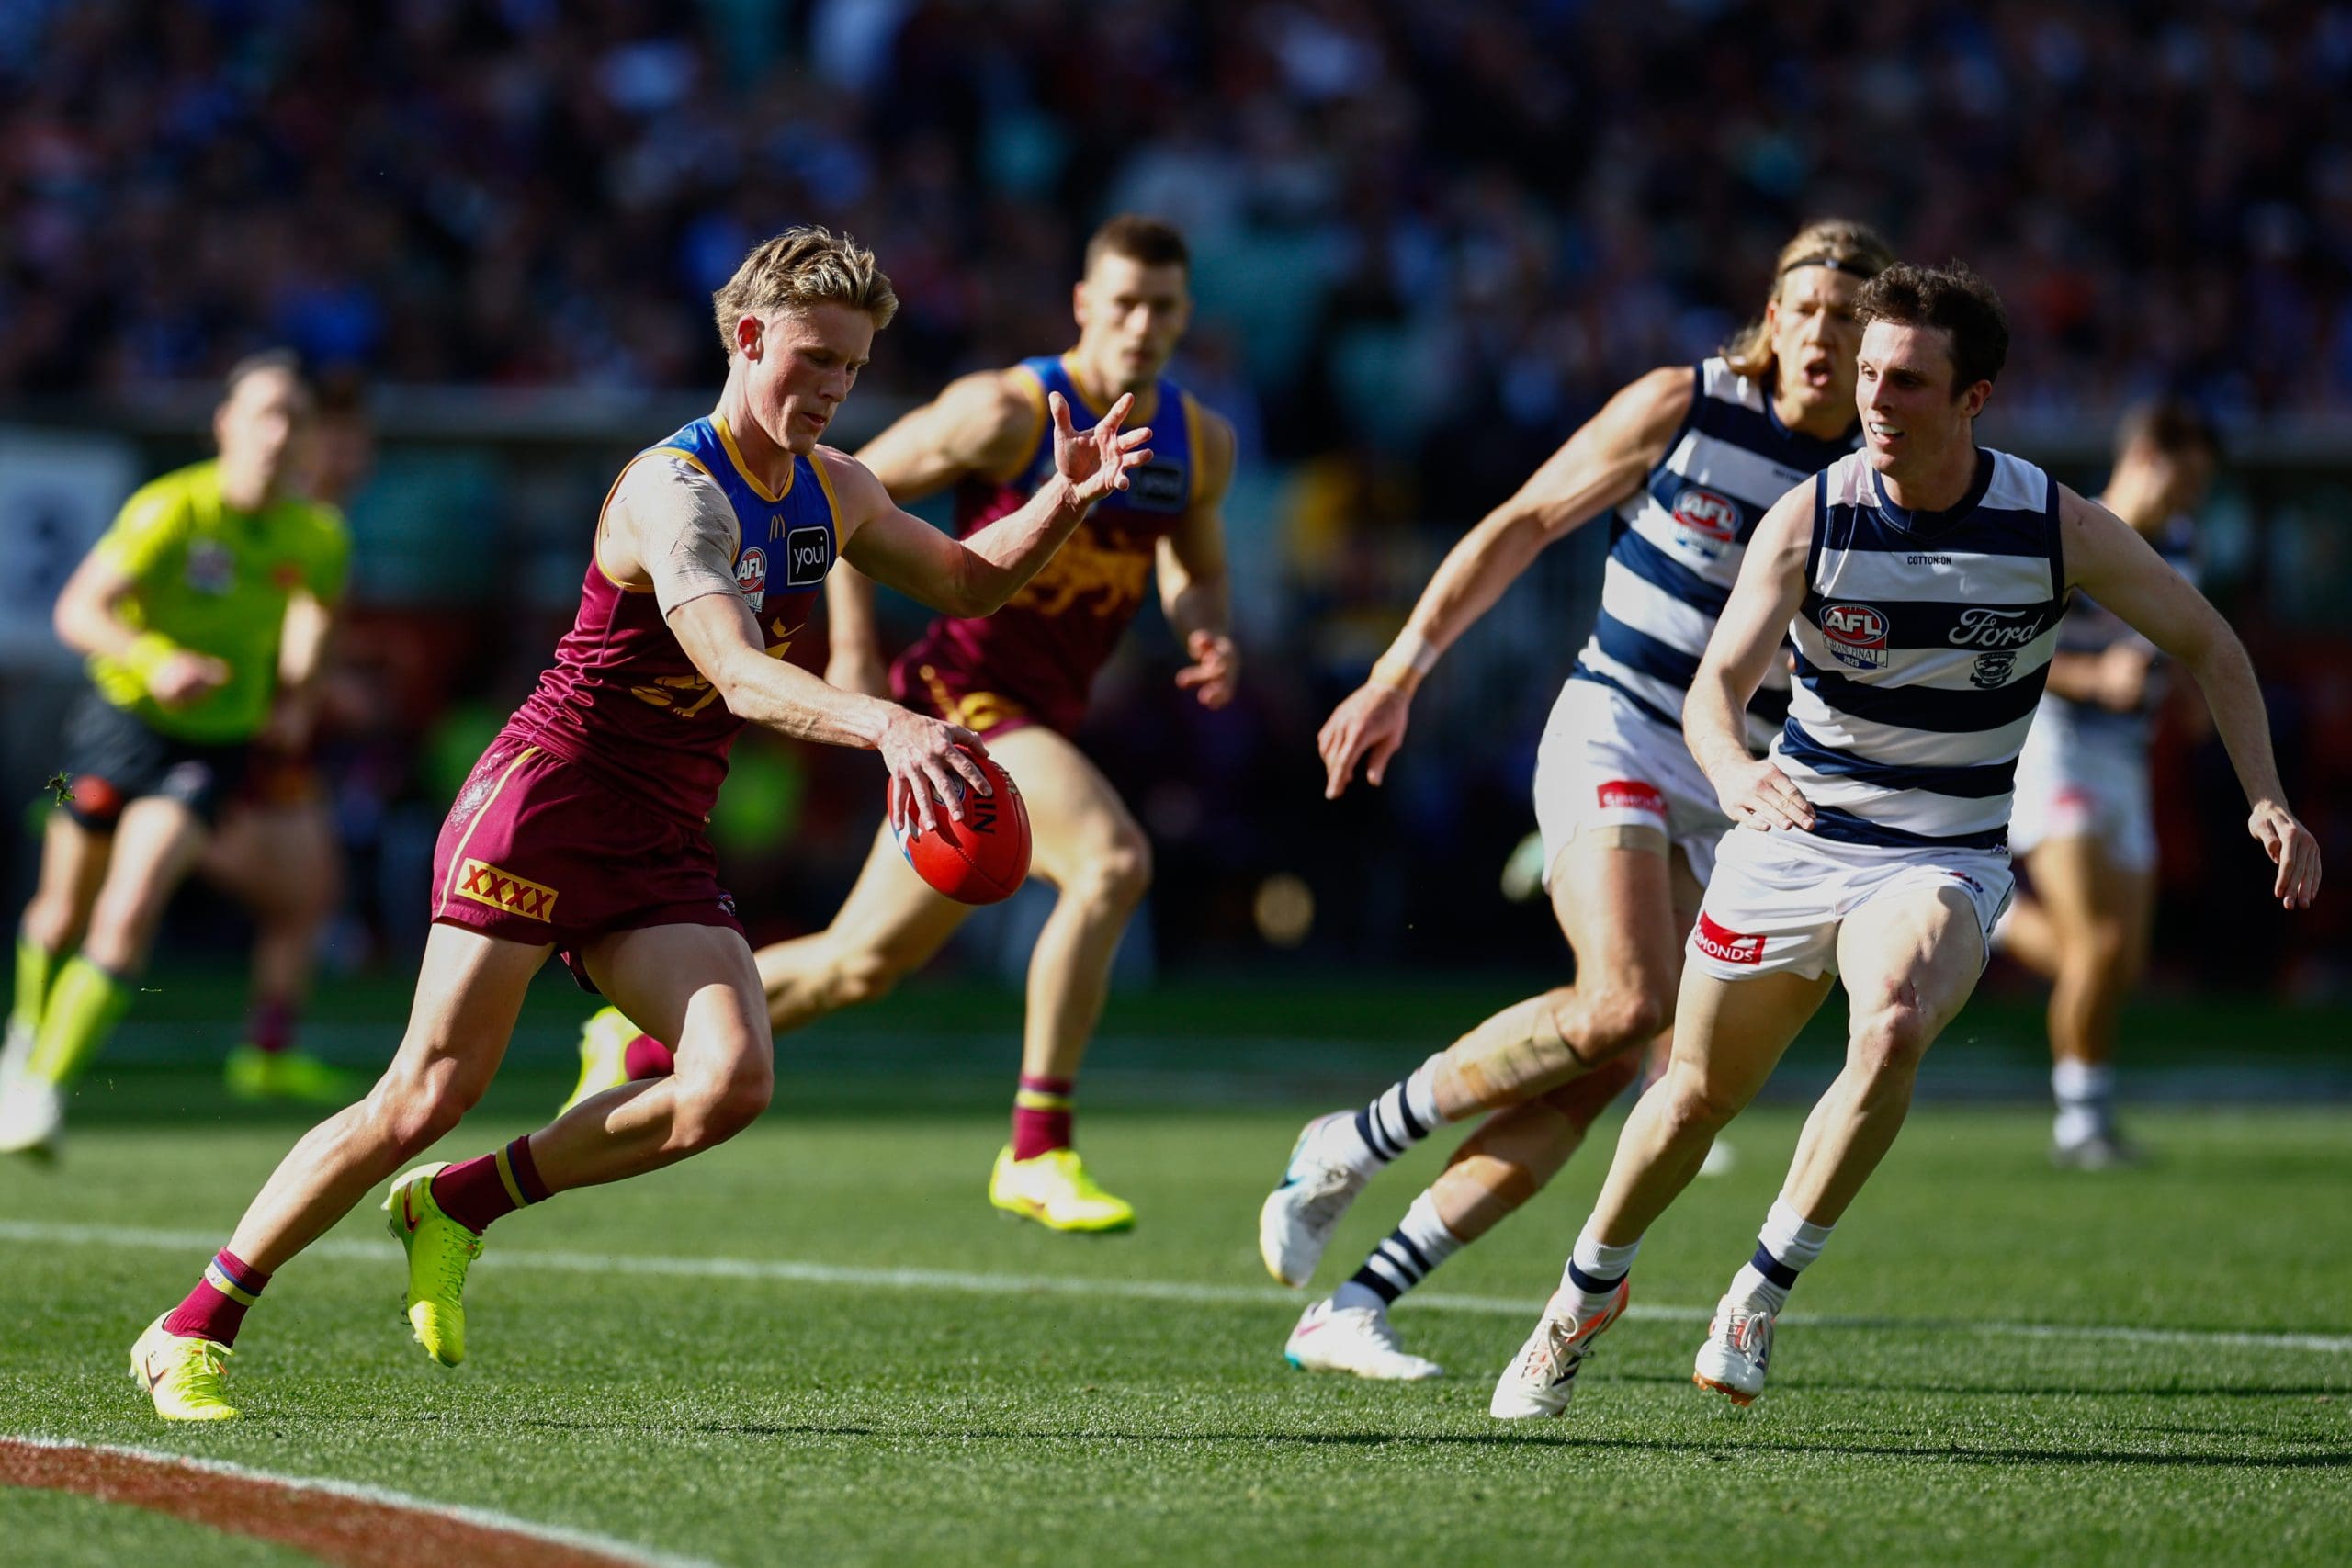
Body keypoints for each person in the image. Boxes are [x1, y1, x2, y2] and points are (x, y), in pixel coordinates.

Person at [127, 225, 1154, 1421]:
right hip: (545, 801)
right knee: (424, 1089)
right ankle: (192, 1324)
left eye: (852, 370)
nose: (829, 388)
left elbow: (968, 581)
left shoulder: (833, 486)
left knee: (729, 1081)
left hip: (660, 824)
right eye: (813, 358)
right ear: (748, 335)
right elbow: (730, 670)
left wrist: (1062, 501)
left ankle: (456, 1204)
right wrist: (885, 723)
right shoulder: (677, 492)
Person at [1489, 263, 2321, 1421]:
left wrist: (2265, 798)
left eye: (1908, 382)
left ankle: (1760, 1288)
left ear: (1973, 398)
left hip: (1942, 856)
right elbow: (1714, 688)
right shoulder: (1814, 513)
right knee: (1689, 1099)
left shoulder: (2051, 524)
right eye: (1870, 375)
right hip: (1797, 835)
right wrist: (1732, 771)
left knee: (1888, 1024)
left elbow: (2211, 644)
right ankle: (1578, 1301)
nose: (1875, 400)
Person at [1260, 220, 1894, 1380]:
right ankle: (1349, 1141)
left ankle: (1349, 1303)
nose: (1820, 335)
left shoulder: (1877, 482)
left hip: (1737, 786)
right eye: (1804, 310)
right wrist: (1401, 670)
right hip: (1615, 723)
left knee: (1612, 1058)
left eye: (1847, 321)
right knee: (1623, 1003)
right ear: (1770, 314)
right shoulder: (1684, 406)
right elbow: (1523, 522)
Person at [558, 215, 1238, 1234]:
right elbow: (831, 499)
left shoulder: (1194, 441)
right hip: (960, 704)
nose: (1144, 325)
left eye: (1166, 307)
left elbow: (1192, 561)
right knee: (1111, 863)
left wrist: (1204, 630)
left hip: (1036, 712)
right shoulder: (999, 412)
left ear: (1187, 316)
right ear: (1084, 304)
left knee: (856, 966)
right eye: (1125, 302)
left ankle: (634, 1044)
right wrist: (857, 653)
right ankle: (1038, 1146)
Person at [1, 353, 347, 1157]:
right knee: (57, 915)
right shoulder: (170, 510)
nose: (278, 431)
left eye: (293, 417)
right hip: (111, 727)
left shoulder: (317, 536)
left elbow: (316, 618)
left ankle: (42, 1094)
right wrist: (157, 660)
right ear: (223, 424)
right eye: (263, 412)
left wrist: (295, 699)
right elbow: (79, 608)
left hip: (213, 748)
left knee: (129, 910)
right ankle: (25, 1035)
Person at [1996, 400, 2219, 1167]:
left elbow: (2184, 635)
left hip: (2127, 757)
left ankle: (1994, 913)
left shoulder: (2183, 541)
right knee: (2096, 942)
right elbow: (2009, 655)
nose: (2191, 499)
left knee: (2119, 962)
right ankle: (2082, 1120)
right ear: (2149, 457)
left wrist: (2188, 695)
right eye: (2186, 480)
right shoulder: (2073, 535)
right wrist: (2095, 678)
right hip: (2058, 745)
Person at [197, 373, 378, 1104]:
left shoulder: (327, 528)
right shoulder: (293, 523)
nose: (352, 455)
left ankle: (267, 1049)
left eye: (358, 441)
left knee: (309, 891)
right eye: (338, 440)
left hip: (272, 737)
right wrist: (317, 690)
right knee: (295, 886)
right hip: (226, 727)